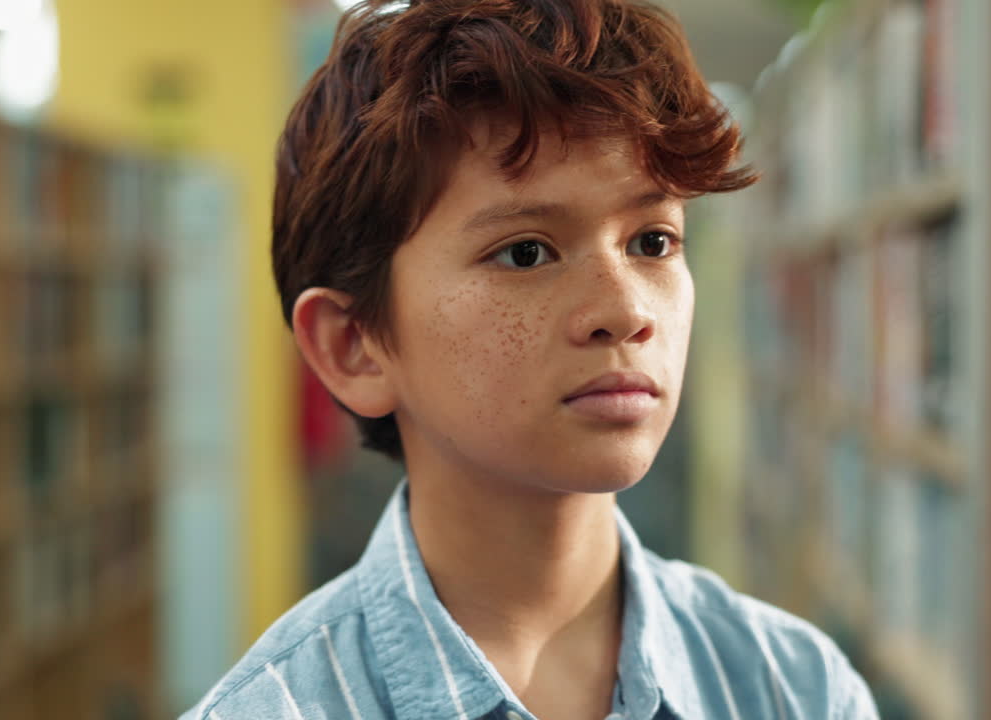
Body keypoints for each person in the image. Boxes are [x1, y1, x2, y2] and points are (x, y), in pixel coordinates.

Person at [183, 0, 878, 718]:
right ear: (353, 345)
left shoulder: (793, 689)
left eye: (653, 242)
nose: (627, 311)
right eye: (525, 253)